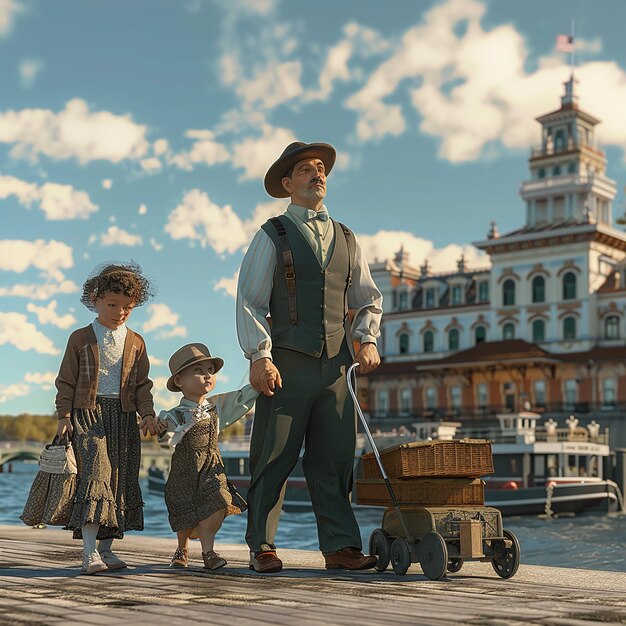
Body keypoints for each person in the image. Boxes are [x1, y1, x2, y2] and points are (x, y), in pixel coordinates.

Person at [236, 141, 383, 573]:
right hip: (286, 363)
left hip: (338, 367)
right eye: (306, 170)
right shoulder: (271, 234)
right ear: (287, 184)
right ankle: (261, 545)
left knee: (335, 459)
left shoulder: (348, 237)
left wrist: (368, 339)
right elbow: (249, 301)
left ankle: (340, 548)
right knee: (273, 455)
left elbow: (368, 298)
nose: (317, 174)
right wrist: (260, 356)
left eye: (321, 168)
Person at [53, 262, 159, 575]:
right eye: (112, 304)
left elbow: (142, 386)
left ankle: (106, 550)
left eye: (127, 307)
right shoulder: (80, 337)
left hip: (124, 418)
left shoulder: (137, 342)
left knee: (119, 481)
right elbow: (66, 381)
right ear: (95, 299)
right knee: (95, 477)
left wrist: (148, 414)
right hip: (88, 414)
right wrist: (63, 415)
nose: (119, 312)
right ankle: (89, 554)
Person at [157, 343, 258, 570]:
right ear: (179, 381)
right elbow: (167, 442)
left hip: (212, 466)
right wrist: (164, 431)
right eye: (198, 371)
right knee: (183, 507)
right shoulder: (173, 414)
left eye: (210, 370)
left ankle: (208, 552)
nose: (207, 375)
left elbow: (242, 398)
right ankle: (182, 548)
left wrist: (259, 384)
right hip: (185, 468)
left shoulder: (217, 406)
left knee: (219, 502)